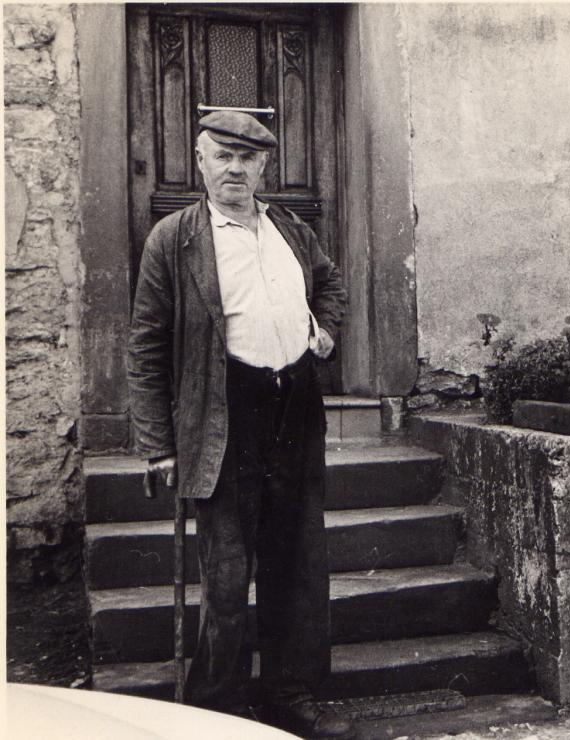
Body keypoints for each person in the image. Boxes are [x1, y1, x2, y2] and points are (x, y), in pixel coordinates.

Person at [128, 110, 351, 738]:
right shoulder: (176, 239)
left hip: (294, 411)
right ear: (199, 161)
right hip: (225, 413)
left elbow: (329, 284)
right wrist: (157, 445)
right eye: (222, 155)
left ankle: (290, 696)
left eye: (247, 158)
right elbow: (146, 346)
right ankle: (217, 711)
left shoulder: (291, 229)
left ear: (263, 166)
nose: (235, 167)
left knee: (298, 564)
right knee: (227, 574)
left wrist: (326, 331)